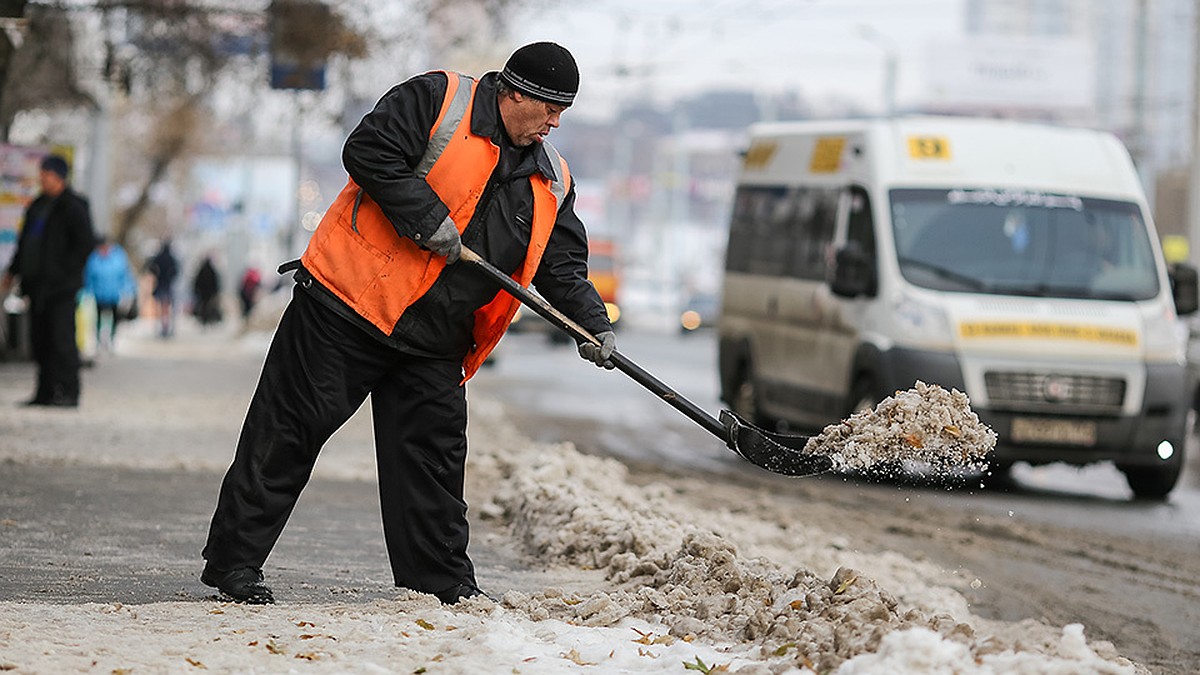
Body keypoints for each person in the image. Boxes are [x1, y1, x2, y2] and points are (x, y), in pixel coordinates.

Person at [201, 42, 616, 605]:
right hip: (344, 309)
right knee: (285, 436)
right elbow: (368, 150)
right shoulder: (439, 101)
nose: (554, 122)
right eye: (547, 107)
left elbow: (560, 267)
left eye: (562, 113)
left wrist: (591, 323)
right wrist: (426, 218)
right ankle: (233, 563)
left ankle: (442, 587)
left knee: (434, 468)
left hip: (435, 341)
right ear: (512, 91)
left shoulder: (552, 181)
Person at [0, 154, 95, 407]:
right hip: (37, 286)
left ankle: (68, 392)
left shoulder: (73, 206)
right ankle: (45, 392)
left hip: (61, 287)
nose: (43, 179)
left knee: (62, 340)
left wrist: (66, 273)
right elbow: (25, 245)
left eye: (47, 174)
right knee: (40, 340)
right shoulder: (38, 205)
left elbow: (85, 244)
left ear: (59, 176)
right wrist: (13, 272)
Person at [84, 236, 137, 352]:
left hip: (114, 294)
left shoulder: (119, 258)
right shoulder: (94, 259)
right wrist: (88, 291)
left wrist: (128, 290)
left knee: (114, 319)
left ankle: (112, 341)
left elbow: (126, 276)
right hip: (99, 294)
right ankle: (98, 342)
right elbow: (89, 277)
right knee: (98, 318)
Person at [146, 238, 179, 338]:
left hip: (160, 284)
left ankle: (161, 326)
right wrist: (170, 276)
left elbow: (151, 267)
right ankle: (166, 327)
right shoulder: (171, 258)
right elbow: (176, 271)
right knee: (166, 308)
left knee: (160, 307)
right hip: (168, 285)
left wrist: (157, 274)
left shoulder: (158, 257)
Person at [191, 254, 222, 328]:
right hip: (209, 293)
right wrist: (215, 292)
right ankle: (207, 319)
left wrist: (196, 290)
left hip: (202, 292)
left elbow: (197, 281)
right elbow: (216, 282)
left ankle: (203, 320)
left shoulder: (201, 270)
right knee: (208, 306)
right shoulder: (212, 270)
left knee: (203, 306)